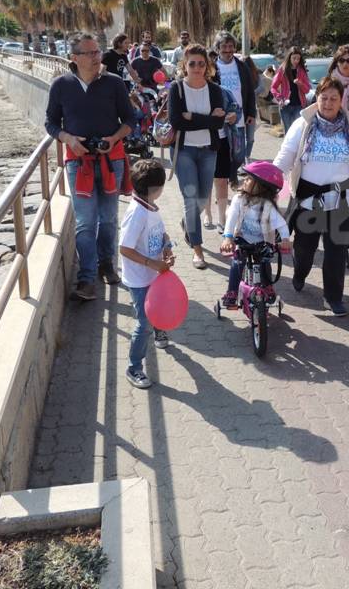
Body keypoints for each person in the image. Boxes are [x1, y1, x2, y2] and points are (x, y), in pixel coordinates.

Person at [273, 76, 349, 317]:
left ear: (342, 101)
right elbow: (284, 158)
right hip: (309, 198)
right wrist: (267, 181)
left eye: (334, 98)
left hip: (342, 199)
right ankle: (300, 273)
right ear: (316, 99)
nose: (329, 103)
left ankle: (333, 298)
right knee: (305, 249)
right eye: (324, 98)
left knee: (336, 250)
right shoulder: (304, 124)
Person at [45, 33, 136, 300]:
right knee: (85, 222)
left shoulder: (115, 83)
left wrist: (114, 138)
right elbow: (51, 123)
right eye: (91, 53)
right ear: (75, 58)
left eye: (98, 52)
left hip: (112, 160)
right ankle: (86, 279)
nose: (97, 57)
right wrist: (68, 139)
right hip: (78, 163)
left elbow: (130, 119)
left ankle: (106, 264)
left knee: (108, 219)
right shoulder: (60, 85)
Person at [168, 44, 231, 269]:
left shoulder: (214, 90)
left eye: (201, 64)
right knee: (191, 199)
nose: (196, 67)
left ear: (208, 66)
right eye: (192, 63)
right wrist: (206, 119)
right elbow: (176, 121)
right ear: (185, 65)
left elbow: (218, 122)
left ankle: (189, 222)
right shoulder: (176, 89)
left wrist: (192, 117)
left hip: (208, 150)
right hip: (183, 150)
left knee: (203, 199)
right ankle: (198, 250)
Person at [119, 159, 176, 389]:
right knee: (143, 323)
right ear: (157, 189)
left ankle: (159, 331)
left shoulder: (150, 206)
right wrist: (152, 264)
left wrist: (167, 245)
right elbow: (124, 248)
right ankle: (134, 367)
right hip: (140, 279)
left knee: (158, 308)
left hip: (154, 273)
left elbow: (159, 232)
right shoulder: (137, 213)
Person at [219, 161, 292, 309]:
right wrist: (228, 237)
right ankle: (232, 292)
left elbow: (282, 224)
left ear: (262, 186)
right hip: (243, 238)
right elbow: (232, 218)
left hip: (262, 241)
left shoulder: (268, 205)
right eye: (245, 178)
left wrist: (285, 239)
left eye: (249, 179)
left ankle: (267, 287)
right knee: (237, 262)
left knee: (265, 262)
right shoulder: (239, 199)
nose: (244, 180)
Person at [211, 31, 257, 227]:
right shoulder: (213, 67)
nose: (228, 51)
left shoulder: (241, 66)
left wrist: (250, 112)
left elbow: (249, 91)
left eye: (231, 47)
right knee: (224, 154)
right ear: (218, 49)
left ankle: (231, 175)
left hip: (239, 119)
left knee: (239, 154)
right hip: (222, 120)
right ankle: (225, 181)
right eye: (225, 47)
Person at [271, 47, 311, 133]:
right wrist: (280, 98)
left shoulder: (301, 71)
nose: (296, 60)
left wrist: (300, 84)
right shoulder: (283, 70)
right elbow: (273, 87)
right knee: (288, 132)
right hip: (285, 107)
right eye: (294, 58)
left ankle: (298, 147)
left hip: (299, 106)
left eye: (298, 58)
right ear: (289, 58)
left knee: (297, 132)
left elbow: (307, 90)